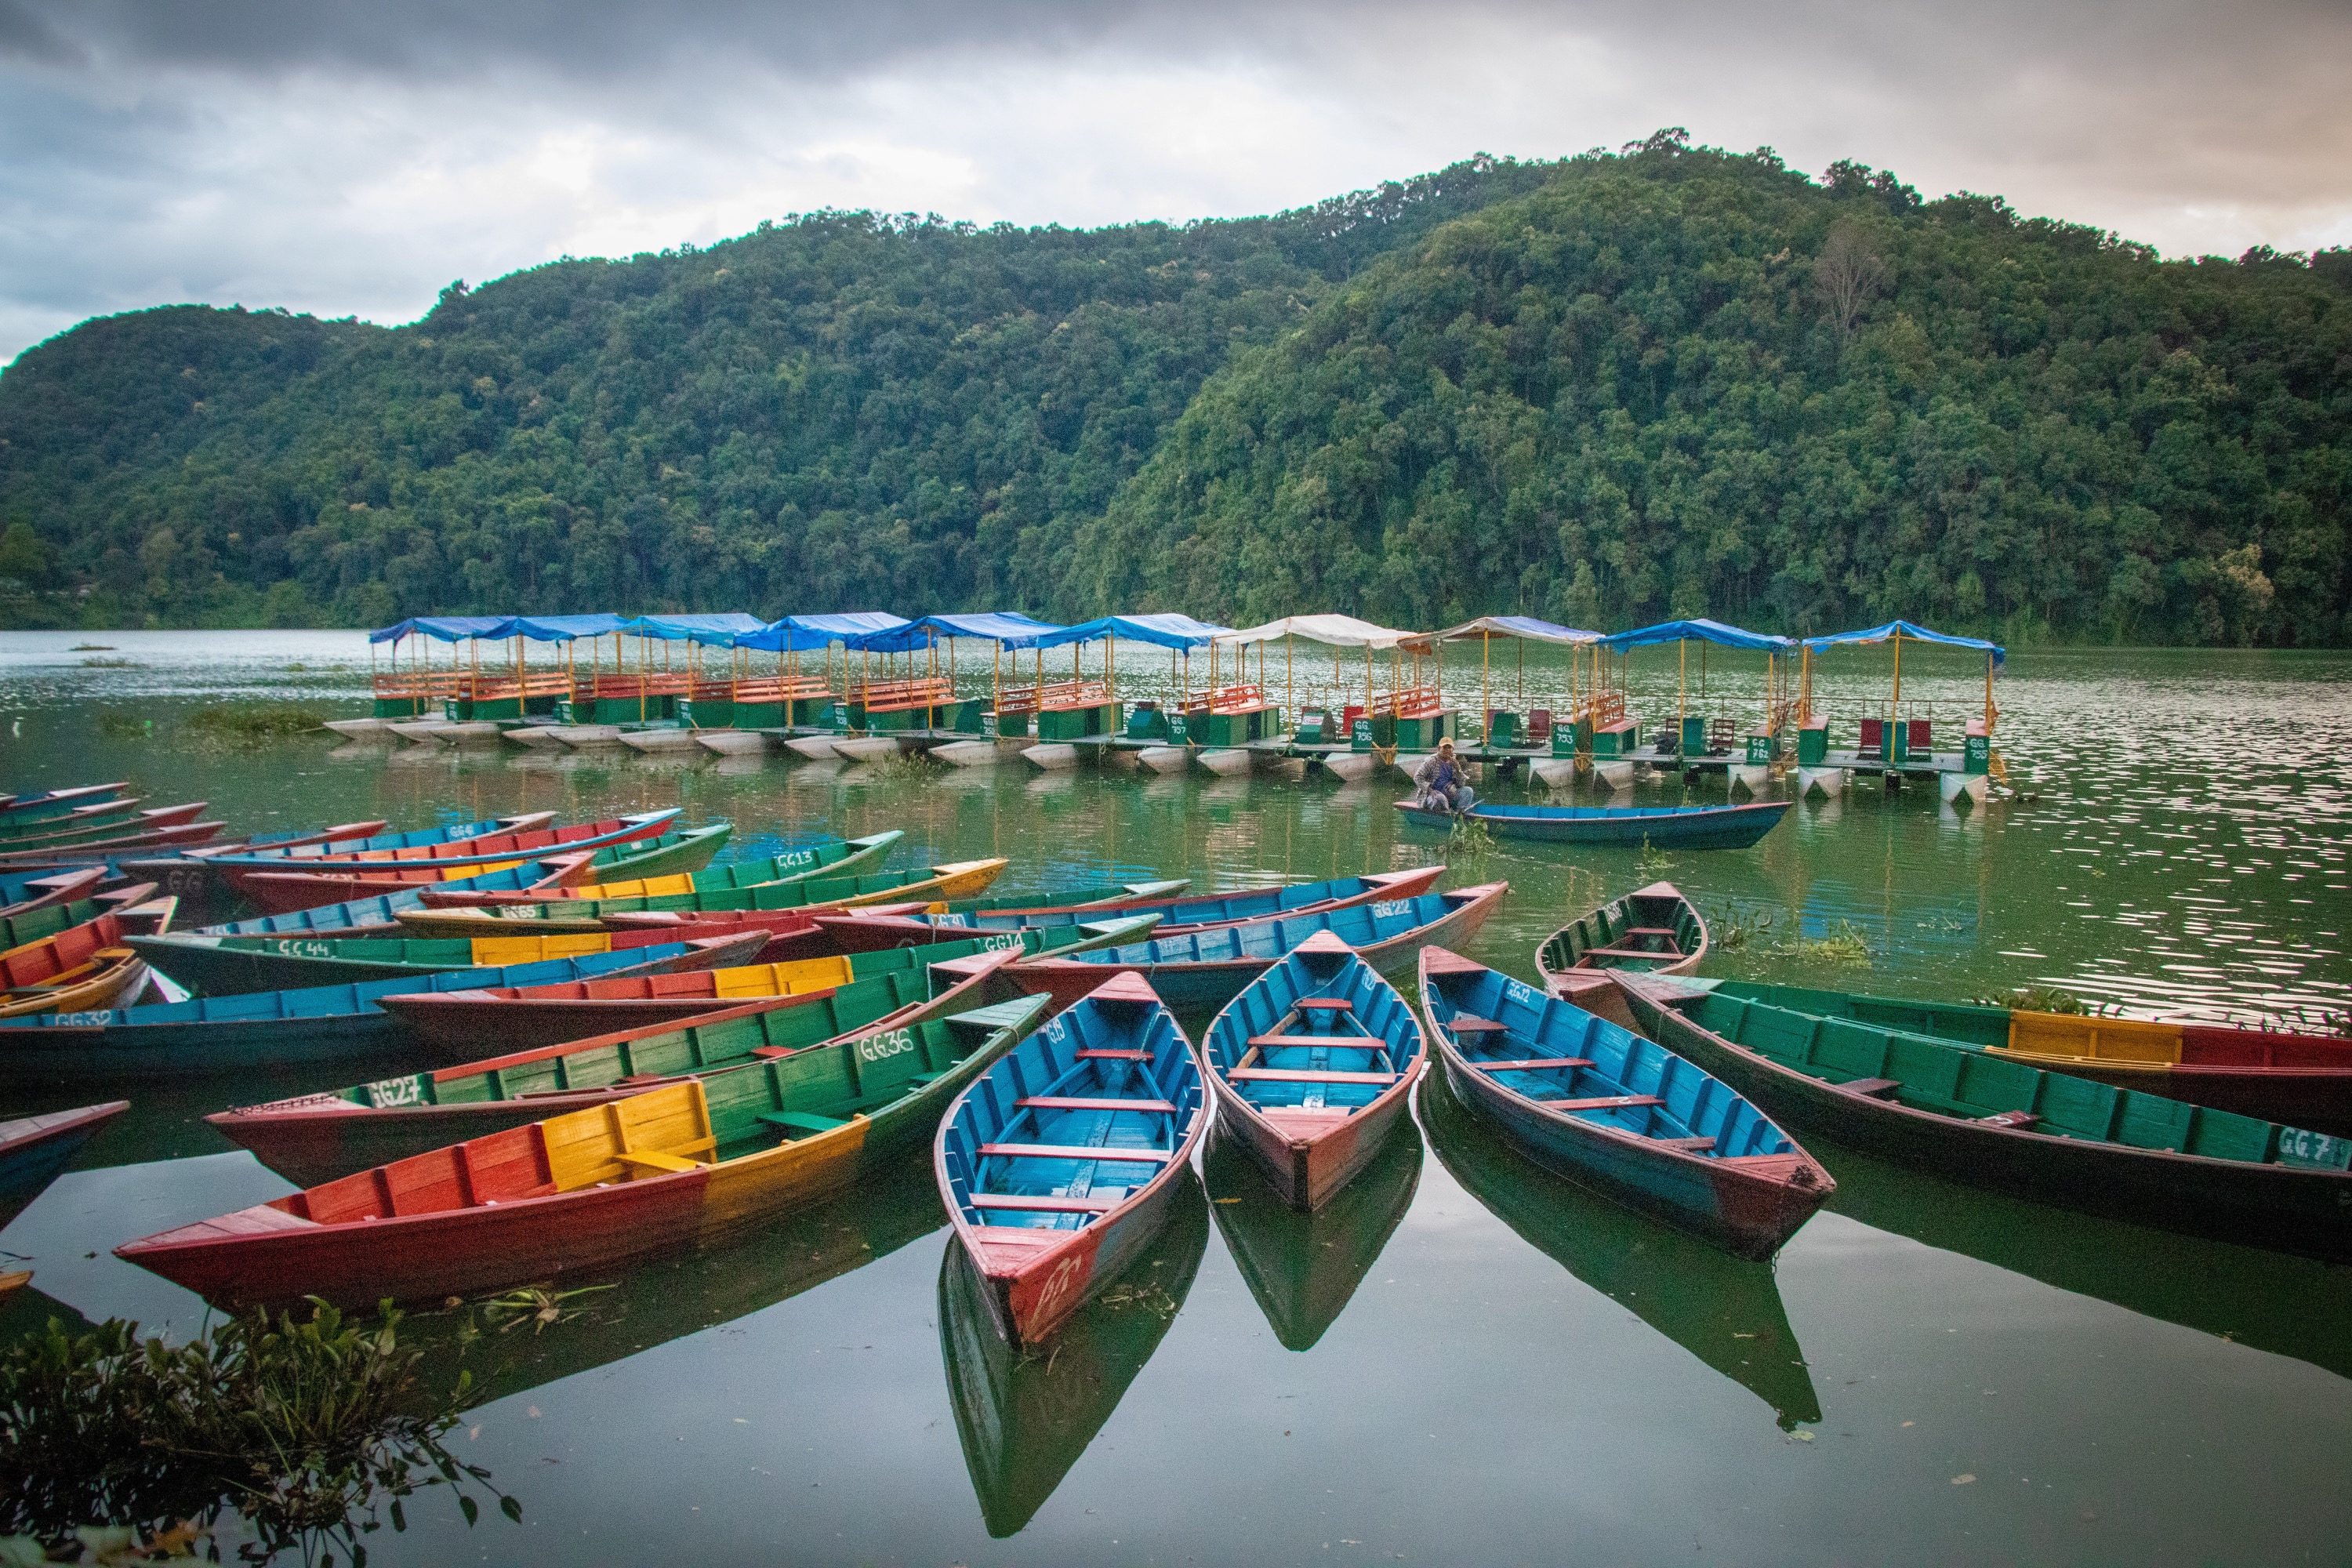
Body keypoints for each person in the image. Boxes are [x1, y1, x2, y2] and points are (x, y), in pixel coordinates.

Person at [1413, 739, 1476, 814]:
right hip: (1432, 795)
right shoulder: (1431, 761)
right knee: (1440, 798)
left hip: (1449, 793)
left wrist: (1458, 769)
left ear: (1453, 749)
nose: (1447, 750)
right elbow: (1417, 777)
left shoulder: (1454, 762)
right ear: (1439, 748)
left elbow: (1461, 785)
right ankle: (1446, 815)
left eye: (1449, 748)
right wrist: (1429, 789)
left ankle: (1460, 814)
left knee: (1468, 791)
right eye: (1444, 748)